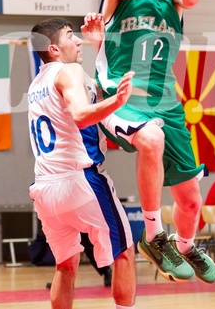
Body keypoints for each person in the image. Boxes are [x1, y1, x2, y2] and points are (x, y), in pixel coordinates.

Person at [88, 0, 215, 284]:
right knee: (151, 140)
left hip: (165, 101)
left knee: (192, 200)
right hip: (119, 95)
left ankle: (184, 244)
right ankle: (152, 234)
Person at [28, 17, 137, 309]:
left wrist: (99, 44)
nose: (77, 41)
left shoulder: (36, 83)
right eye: (69, 36)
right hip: (80, 181)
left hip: (45, 189)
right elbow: (79, 115)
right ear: (53, 49)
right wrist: (118, 102)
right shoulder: (69, 71)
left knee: (66, 265)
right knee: (124, 252)